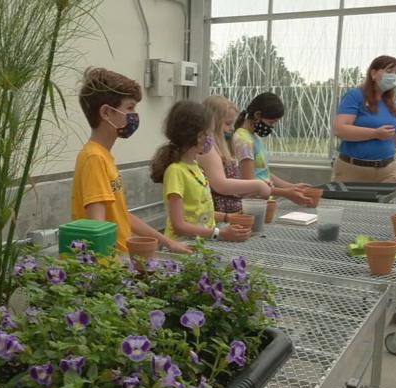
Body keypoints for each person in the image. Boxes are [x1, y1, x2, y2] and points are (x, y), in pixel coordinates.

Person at [72, 67, 190, 254]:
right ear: (106, 112)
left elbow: (121, 214)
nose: (135, 115)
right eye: (129, 108)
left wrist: (168, 242)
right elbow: (97, 227)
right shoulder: (94, 158)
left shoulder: (103, 156)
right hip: (109, 264)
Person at [151, 100, 252, 242]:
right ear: (197, 136)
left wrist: (228, 217)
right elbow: (179, 225)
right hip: (183, 245)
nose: (212, 138)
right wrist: (220, 233)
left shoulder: (196, 167)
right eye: (210, 133)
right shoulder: (176, 172)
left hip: (201, 243)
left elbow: (198, 211)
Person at [331, 55, 396, 183]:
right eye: (389, 71)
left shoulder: (389, 104)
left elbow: (394, 140)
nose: (393, 76)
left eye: (395, 72)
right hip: (353, 171)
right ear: (373, 73)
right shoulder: (355, 96)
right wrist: (375, 133)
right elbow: (340, 130)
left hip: (387, 172)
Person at [231, 92, 312, 206]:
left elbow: (263, 172)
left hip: (263, 201)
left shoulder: (254, 137)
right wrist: (287, 193)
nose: (272, 126)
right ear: (257, 115)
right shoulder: (243, 141)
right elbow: (249, 184)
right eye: (271, 122)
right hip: (252, 204)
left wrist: (292, 187)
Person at [199, 95, 272, 217]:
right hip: (219, 215)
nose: (232, 128)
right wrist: (257, 185)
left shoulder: (225, 147)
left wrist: (253, 187)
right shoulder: (208, 149)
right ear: (213, 123)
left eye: (233, 123)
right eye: (228, 123)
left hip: (232, 212)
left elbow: (234, 187)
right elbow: (221, 185)